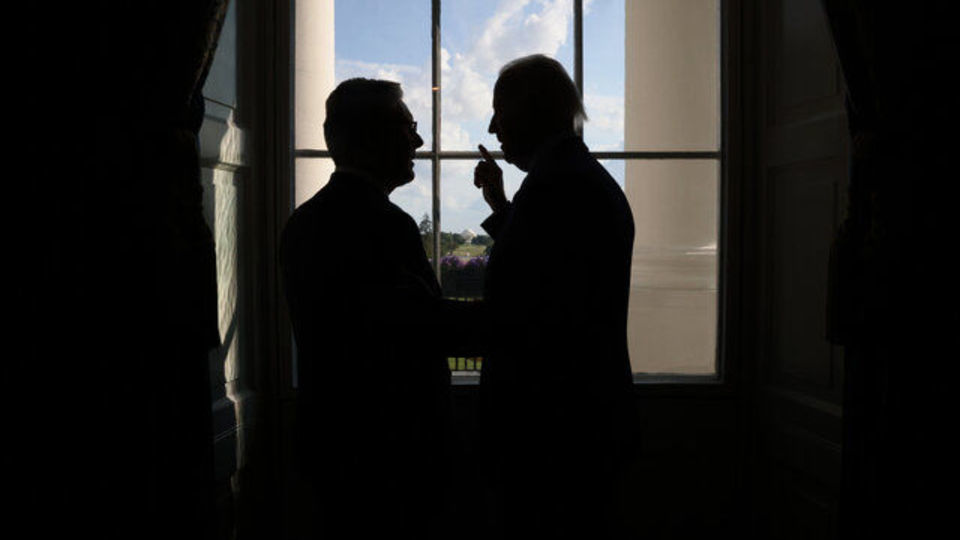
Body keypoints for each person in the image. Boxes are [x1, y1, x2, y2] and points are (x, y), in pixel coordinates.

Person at [280, 78, 477, 539]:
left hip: (335, 447)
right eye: (409, 127)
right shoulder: (385, 224)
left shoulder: (304, 221)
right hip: (392, 454)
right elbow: (425, 328)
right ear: (373, 136)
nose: (418, 141)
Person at [472, 55, 638, 539]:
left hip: (551, 433)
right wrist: (501, 206)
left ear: (530, 111)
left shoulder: (554, 187)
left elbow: (529, 313)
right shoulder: (576, 179)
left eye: (498, 112)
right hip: (580, 425)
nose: (492, 128)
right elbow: (553, 273)